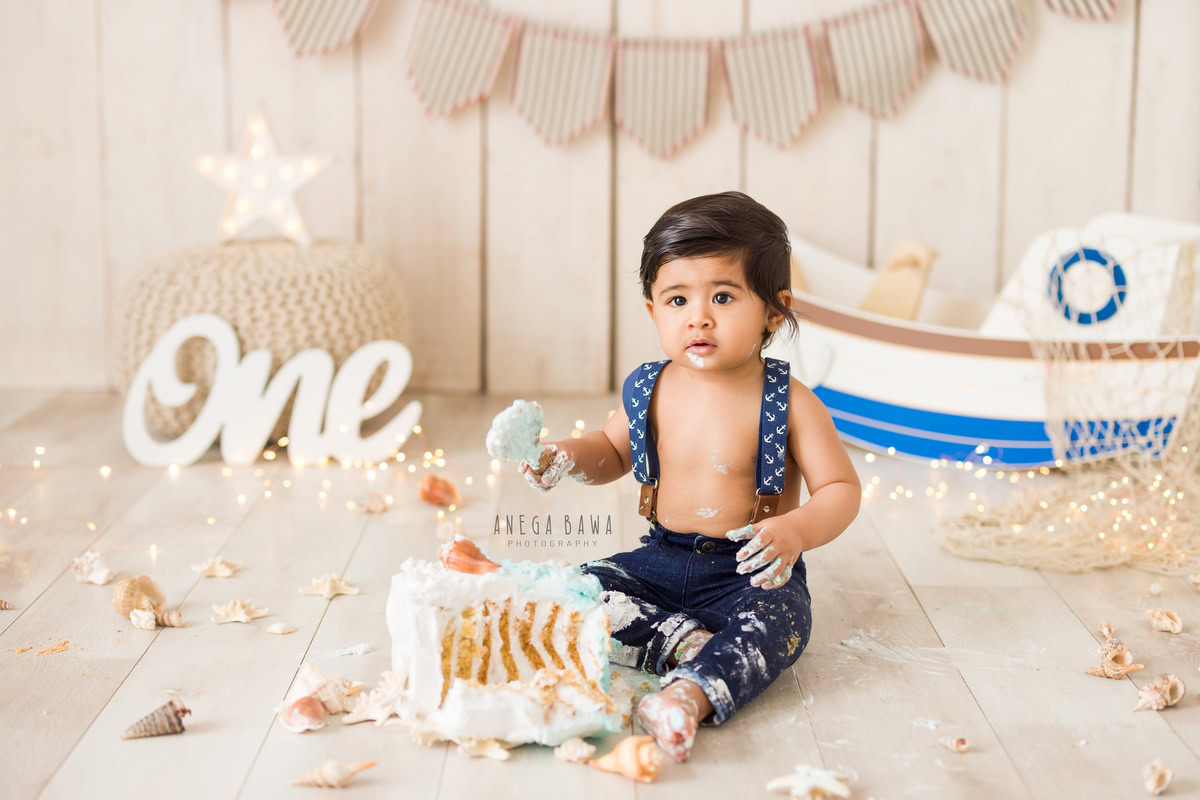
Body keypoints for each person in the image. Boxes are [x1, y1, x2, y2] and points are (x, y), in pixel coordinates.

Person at [519, 191, 861, 762]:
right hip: (662, 557)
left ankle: (688, 693)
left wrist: (795, 531)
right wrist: (564, 457)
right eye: (677, 299)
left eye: (723, 297)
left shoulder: (788, 401)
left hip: (749, 571)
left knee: (780, 625)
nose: (698, 316)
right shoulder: (650, 388)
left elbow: (841, 490)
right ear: (654, 311)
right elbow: (610, 451)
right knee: (574, 591)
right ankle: (688, 641)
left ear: (775, 312)